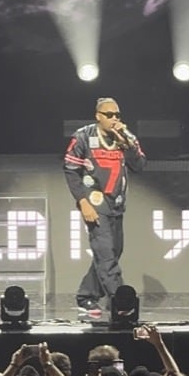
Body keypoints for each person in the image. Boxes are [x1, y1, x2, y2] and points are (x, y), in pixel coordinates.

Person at [63, 96, 145, 319]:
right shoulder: (83, 136)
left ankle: (86, 296)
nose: (114, 118)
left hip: (116, 203)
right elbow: (70, 169)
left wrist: (126, 141)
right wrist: (82, 202)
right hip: (94, 203)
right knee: (106, 255)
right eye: (109, 115)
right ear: (98, 116)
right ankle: (121, 302)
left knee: (113, 252)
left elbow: (139, 165)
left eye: (117, 115)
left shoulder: (126, 138)